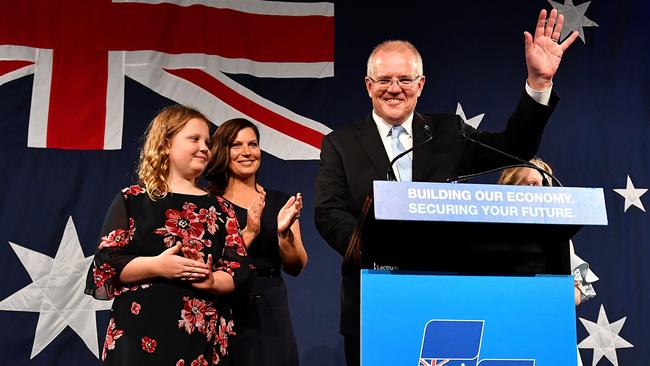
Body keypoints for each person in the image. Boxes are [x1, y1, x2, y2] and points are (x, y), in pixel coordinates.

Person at [313, 9, 579, 365]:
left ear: (420, 85)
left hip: (443, 296)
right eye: (385, 80)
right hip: (372, 298)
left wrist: (538, 83)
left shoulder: (447, 132)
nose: (395, 88)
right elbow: (328, 212)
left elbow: (514, 148)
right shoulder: (340, 143)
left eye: (405, 79)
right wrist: (378, 249)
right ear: (368, 85)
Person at [85, 105, 250, 365]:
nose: (205, 147)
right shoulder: (134, 199)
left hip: (201, 338)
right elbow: (106, 264)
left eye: (208, 141)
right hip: (139, 333)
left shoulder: (222, 209)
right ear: (165, 145)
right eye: (194, 139)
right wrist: (159, 266)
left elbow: (238, 271)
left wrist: (210, 281)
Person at [205, 118, 307, 366]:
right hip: (224, 302)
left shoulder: (281, 202)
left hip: (270, 304)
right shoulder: (207, 203)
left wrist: (284, 234)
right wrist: (249, 231)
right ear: (222, 152)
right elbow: (210, 263)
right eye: (236, 145)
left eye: (253, 144)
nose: (247, 152)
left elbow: (297, 266)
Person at [497, 158, 598, 305]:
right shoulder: (485, 234)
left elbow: (575, 296)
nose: (540, 192)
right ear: (508, 187)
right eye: (532, 184)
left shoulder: (559, 238)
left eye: (545, 186)